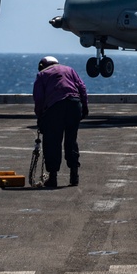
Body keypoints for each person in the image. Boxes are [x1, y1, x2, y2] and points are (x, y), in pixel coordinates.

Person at [33, 56, 89, 188]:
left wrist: (40, 117)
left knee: (52, 141)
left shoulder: (42, 75)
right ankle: (74, 176)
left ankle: (53, 178)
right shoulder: (69, 70)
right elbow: (82, 88)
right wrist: (85, 108)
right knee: (71, 140)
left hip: (55, 108)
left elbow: (39, 98)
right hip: (74, 105)